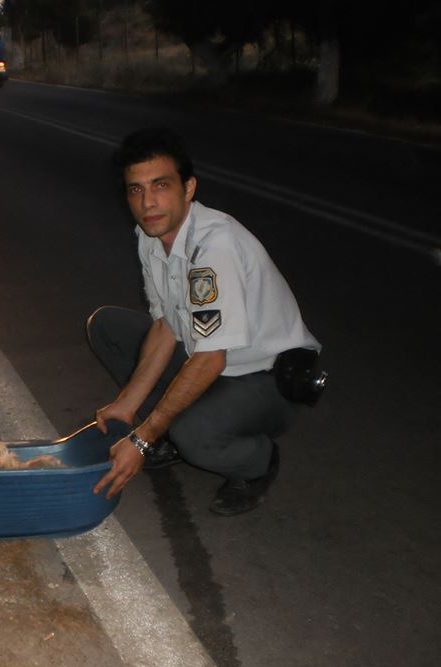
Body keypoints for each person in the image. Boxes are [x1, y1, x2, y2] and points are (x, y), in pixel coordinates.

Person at [89, 127, 320, 516]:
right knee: (107, 327)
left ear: (188, 188)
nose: (148, 202)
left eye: (161, 185)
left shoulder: (215, 247)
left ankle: (258, 461)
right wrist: (126, 405)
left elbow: (211, 358)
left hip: (265, 378)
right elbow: (165, 327)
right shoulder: (150, 235)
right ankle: (172, 427)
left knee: (193, 434)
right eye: (136, 189)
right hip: (212, 360)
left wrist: (144, 438)